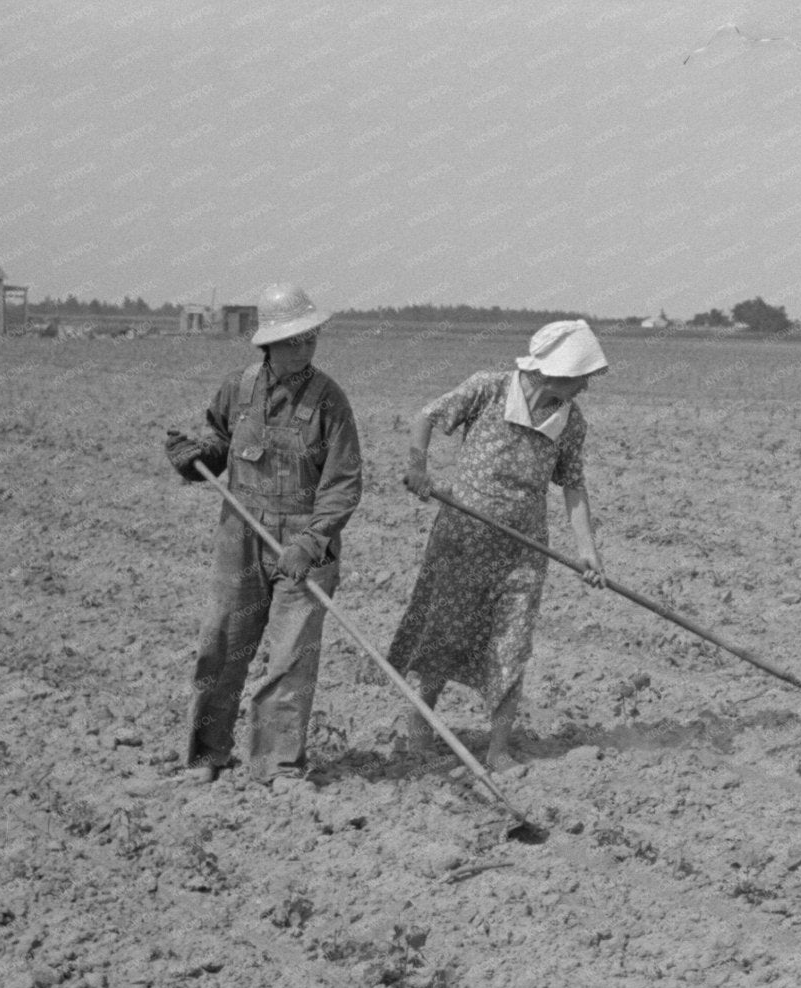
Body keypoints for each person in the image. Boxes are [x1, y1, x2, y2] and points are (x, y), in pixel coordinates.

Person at [164, 283, 362, 785]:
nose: (305, 347)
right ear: (268, 343)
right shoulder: (238, 388)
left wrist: (312, 541)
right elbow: (217, 444)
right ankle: (208, 755)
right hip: (241, 531)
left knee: (291, 658)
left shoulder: (330, 401)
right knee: (222, 643)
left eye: (310, 337)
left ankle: (277, 766)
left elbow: (343, 483)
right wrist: (194, 458)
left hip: (303, 543)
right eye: (294, 339)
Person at [389, 320, 609, 770]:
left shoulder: (571, 421)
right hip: (462, 539)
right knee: (442, 631)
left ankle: (498, 749)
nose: (586, 385)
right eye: (581, 375)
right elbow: (427, 417)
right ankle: (418, 738)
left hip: (523, 551)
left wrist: (587, 550)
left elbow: (572, 486)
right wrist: (418, 466)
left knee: (512, 642)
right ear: (554, 370)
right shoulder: (489, 389)